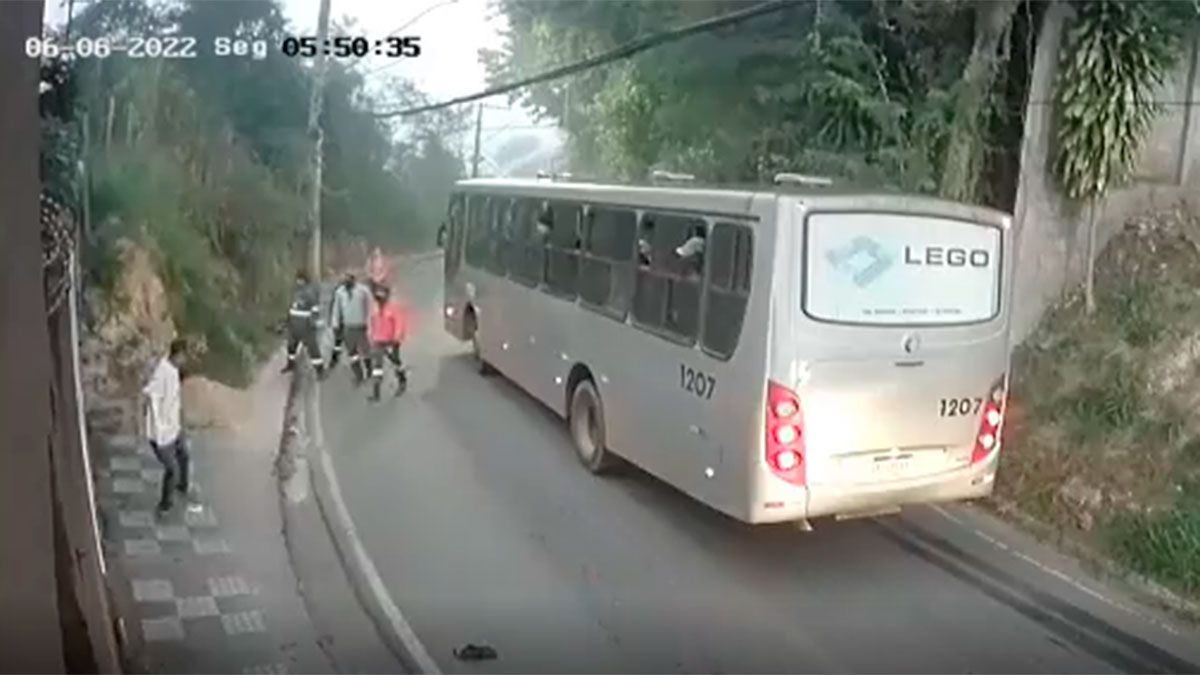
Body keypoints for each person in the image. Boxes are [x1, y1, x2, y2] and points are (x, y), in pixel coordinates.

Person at [143, 339, 189, 515]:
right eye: (183, 356)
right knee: (171, 468)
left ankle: (182, 486)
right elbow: (151, 391)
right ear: (177, 355)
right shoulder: (163, 372)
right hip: (161, 432)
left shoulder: (174, 370)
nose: (185, 360)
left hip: (173, 427)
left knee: (184, 455)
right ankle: (165, 504)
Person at [367, 283, 408, 401]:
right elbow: (371, 323)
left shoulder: (393, 308)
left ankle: (402, 381)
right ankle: (376, 393)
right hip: (378, 341)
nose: (379, 297)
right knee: (377, 367)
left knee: (395, 363)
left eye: (382, 295)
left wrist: (396, 338)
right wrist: (371, 336)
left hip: (391, 341)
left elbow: (399, 324)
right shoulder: (374, 308)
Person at [328, 271, 371, 384]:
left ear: (354, 280)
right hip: (348, 326)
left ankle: (369, 370)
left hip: (361, 325)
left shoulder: (363, 291)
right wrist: (335, 323)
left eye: (349, 280)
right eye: (345, 280)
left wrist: (371, 322)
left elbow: (370, 306)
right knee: (352, 352)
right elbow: (336, 309)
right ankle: (359, 375)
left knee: (365, 350)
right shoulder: (340, 292)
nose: (346, 282)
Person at [283, 270, 324, 375]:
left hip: (305, 324)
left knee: (312, 348)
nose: (298, 282)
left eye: (300, 280)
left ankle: (320, 370)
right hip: (293, 324)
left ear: (304, 280)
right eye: (297, 280)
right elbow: (290, 308)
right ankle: (290, 365)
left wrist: (313, 321)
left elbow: (315, 309)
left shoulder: (309, 292)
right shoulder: (295, 292)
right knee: (291, 346)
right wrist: (287, 321)